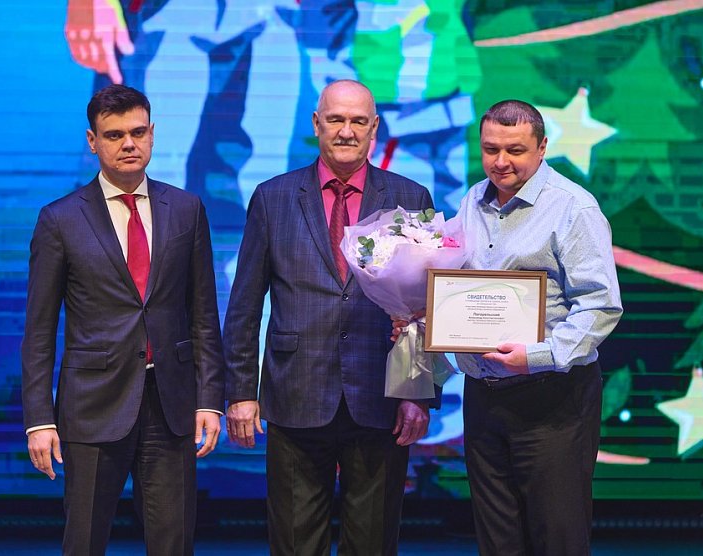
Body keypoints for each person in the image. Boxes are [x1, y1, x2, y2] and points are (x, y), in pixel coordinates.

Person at [394, 99, 622, 555]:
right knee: (497, 539)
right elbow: (458, 282)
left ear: (542, 147)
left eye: (515, 150)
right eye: (490, 149)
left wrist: (535, 356)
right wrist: (422, 310)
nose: (501, 162)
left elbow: (600, 306)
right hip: (484, 396)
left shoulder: (573, 207)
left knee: (556, 536)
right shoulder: (472, 201)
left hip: (552, 397)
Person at [222, 79, 438, 555]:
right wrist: (239, 393)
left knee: (373, 543)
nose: (346, 131)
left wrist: (419, 394)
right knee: (295, 543)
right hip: (294, 394)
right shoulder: (273, 197)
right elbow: (244, 305)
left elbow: (427, 308)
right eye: (336, 119)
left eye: (358, 121)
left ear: (374, 128)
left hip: (382, 398)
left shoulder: (410, 196)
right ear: (316, 123)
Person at [21, 84, 225, 555]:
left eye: (137, 132)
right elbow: (38, 331)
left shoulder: (187, 209)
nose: (128, 144)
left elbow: (202, 314)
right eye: (114, 135)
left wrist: (210, 400)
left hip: (170, 404)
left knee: (174, 543)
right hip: (92, 406)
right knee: (85, 541)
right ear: (92, 141)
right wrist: (38, 419)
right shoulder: (60, 219)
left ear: (152, 133)